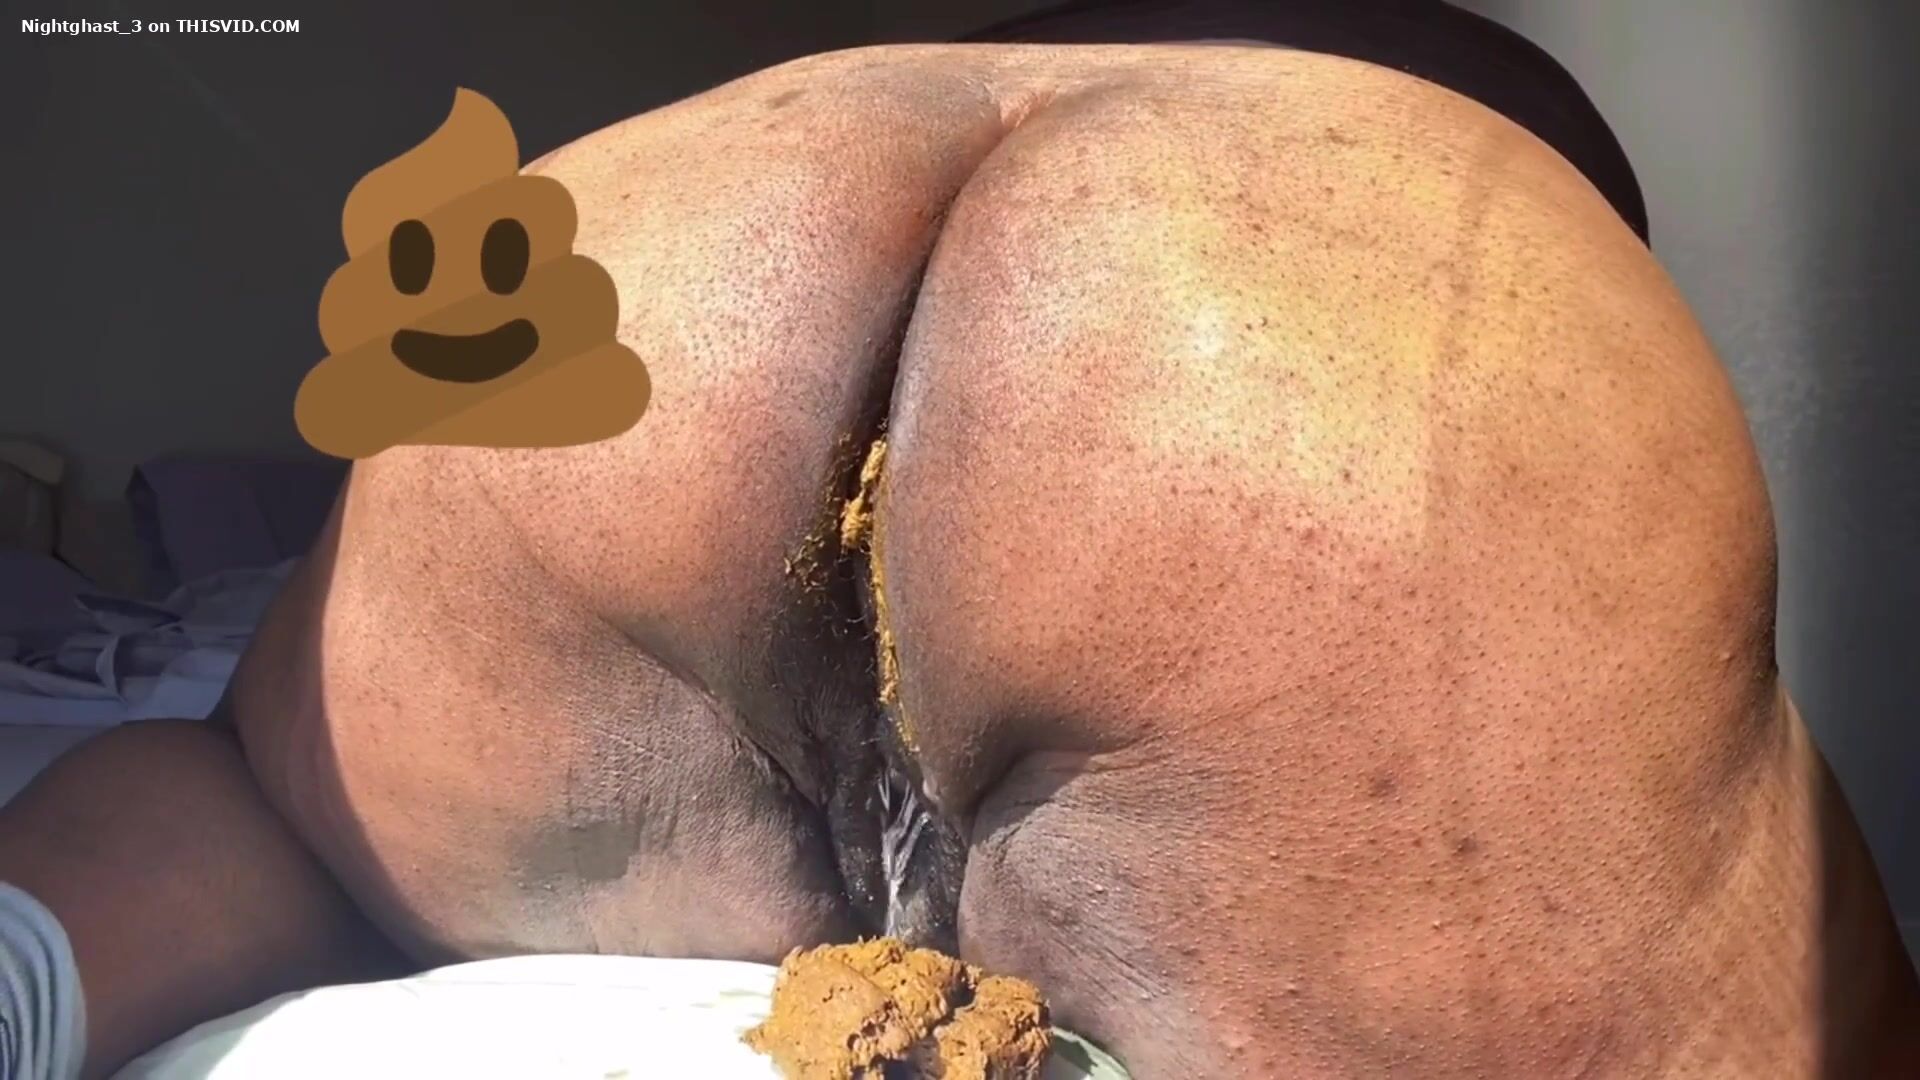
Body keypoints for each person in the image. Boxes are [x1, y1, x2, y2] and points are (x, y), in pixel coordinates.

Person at [5, 2, 1917, 1076]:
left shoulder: (934, 65)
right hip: (1347, 324)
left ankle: (28, 959)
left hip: (665, 243)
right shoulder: (1484, 107)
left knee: (258, 787)